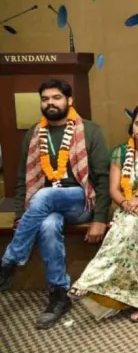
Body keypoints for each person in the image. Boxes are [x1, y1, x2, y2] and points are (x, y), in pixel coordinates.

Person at [0, 79, 109, 329]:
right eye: (45, 98)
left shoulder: (89, 130)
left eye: (56, 97)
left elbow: (103, 178)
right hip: (45, 206)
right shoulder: (34, 133)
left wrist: (100, 218)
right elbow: (22, 178)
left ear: (69, 100)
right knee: (48, 224)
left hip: (81, 200)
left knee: (44, 196)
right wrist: (21, 216)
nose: (50, 103)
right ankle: (59, 295)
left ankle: (9, 262)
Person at [70, 104, 138, 322]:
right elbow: (114, 189)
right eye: (137, 123)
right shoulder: (120, 153)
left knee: (130, 228)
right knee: (130, 227)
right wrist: (127, 203)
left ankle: (91, 280)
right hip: (128, 209)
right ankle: (133, 298)